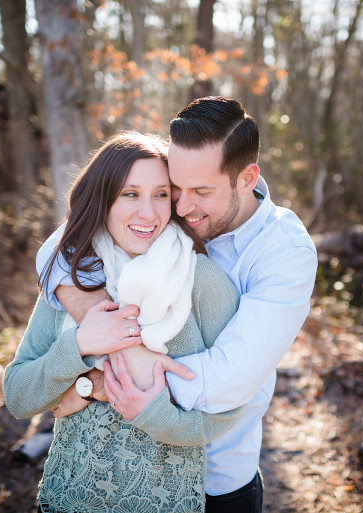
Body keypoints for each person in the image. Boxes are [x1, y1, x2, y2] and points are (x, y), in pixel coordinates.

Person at [37, 97, 318, 512]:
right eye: (177, 189)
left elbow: (229, 377)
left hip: (216, 480)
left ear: (247, 177)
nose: (181, 209)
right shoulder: (165, 203)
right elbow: (57, 250)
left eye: (202, 192)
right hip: (132, 477)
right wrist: (91, 310)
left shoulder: (285, 252)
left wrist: (101, 382)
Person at [4, 131, 244, 513]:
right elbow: (17, 396)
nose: (148, 213)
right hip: (69, 500)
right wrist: (79, 348)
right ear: (103, 199)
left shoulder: (203, 280)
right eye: (129, 194)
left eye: (161, 194)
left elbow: (231, 404)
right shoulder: (77, 276)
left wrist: (153, 413)